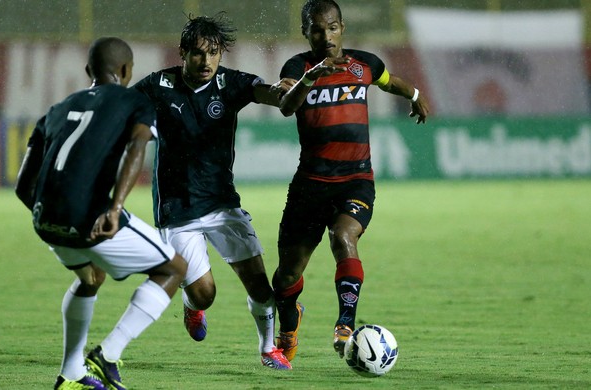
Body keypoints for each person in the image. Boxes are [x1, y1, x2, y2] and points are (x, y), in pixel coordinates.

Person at [15, 37, 189, 390]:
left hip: (45, 220)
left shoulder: (58, 107)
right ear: (126, 70)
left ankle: (71, 373)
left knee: (90, 278)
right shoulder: (133, 100)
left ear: (87, 72)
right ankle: (107, 354)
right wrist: (116, 207)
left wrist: (49, 214)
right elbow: (138, 145)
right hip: (88, 216)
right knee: (174, 268)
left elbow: (23, 185)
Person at [271, 0, 430, 362]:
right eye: (315, 29)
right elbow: (286, 105)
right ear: (305, 32)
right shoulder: (298, 67)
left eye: (330, 27)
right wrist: (313, 77)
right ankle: (290, 320)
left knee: (344, 236)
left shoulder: (365, 64)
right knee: (285, 277)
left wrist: (416, 95)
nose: (324, 35)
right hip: (310, 186)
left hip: (355, 180)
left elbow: (390, 82)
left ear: (341, 27)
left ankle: (345, 325)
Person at [132, 14, 293, 370]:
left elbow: (265, 93)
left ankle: (268, 350)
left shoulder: (229, 83)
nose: (206, 61)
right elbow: (121, 107)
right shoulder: (159, 85)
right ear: (183, 53)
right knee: (206, 294)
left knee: (258, 284)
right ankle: (193, 307)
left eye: (214, 53)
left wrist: (285, 92)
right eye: (198, 54)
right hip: (177, 209)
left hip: (222, 204)